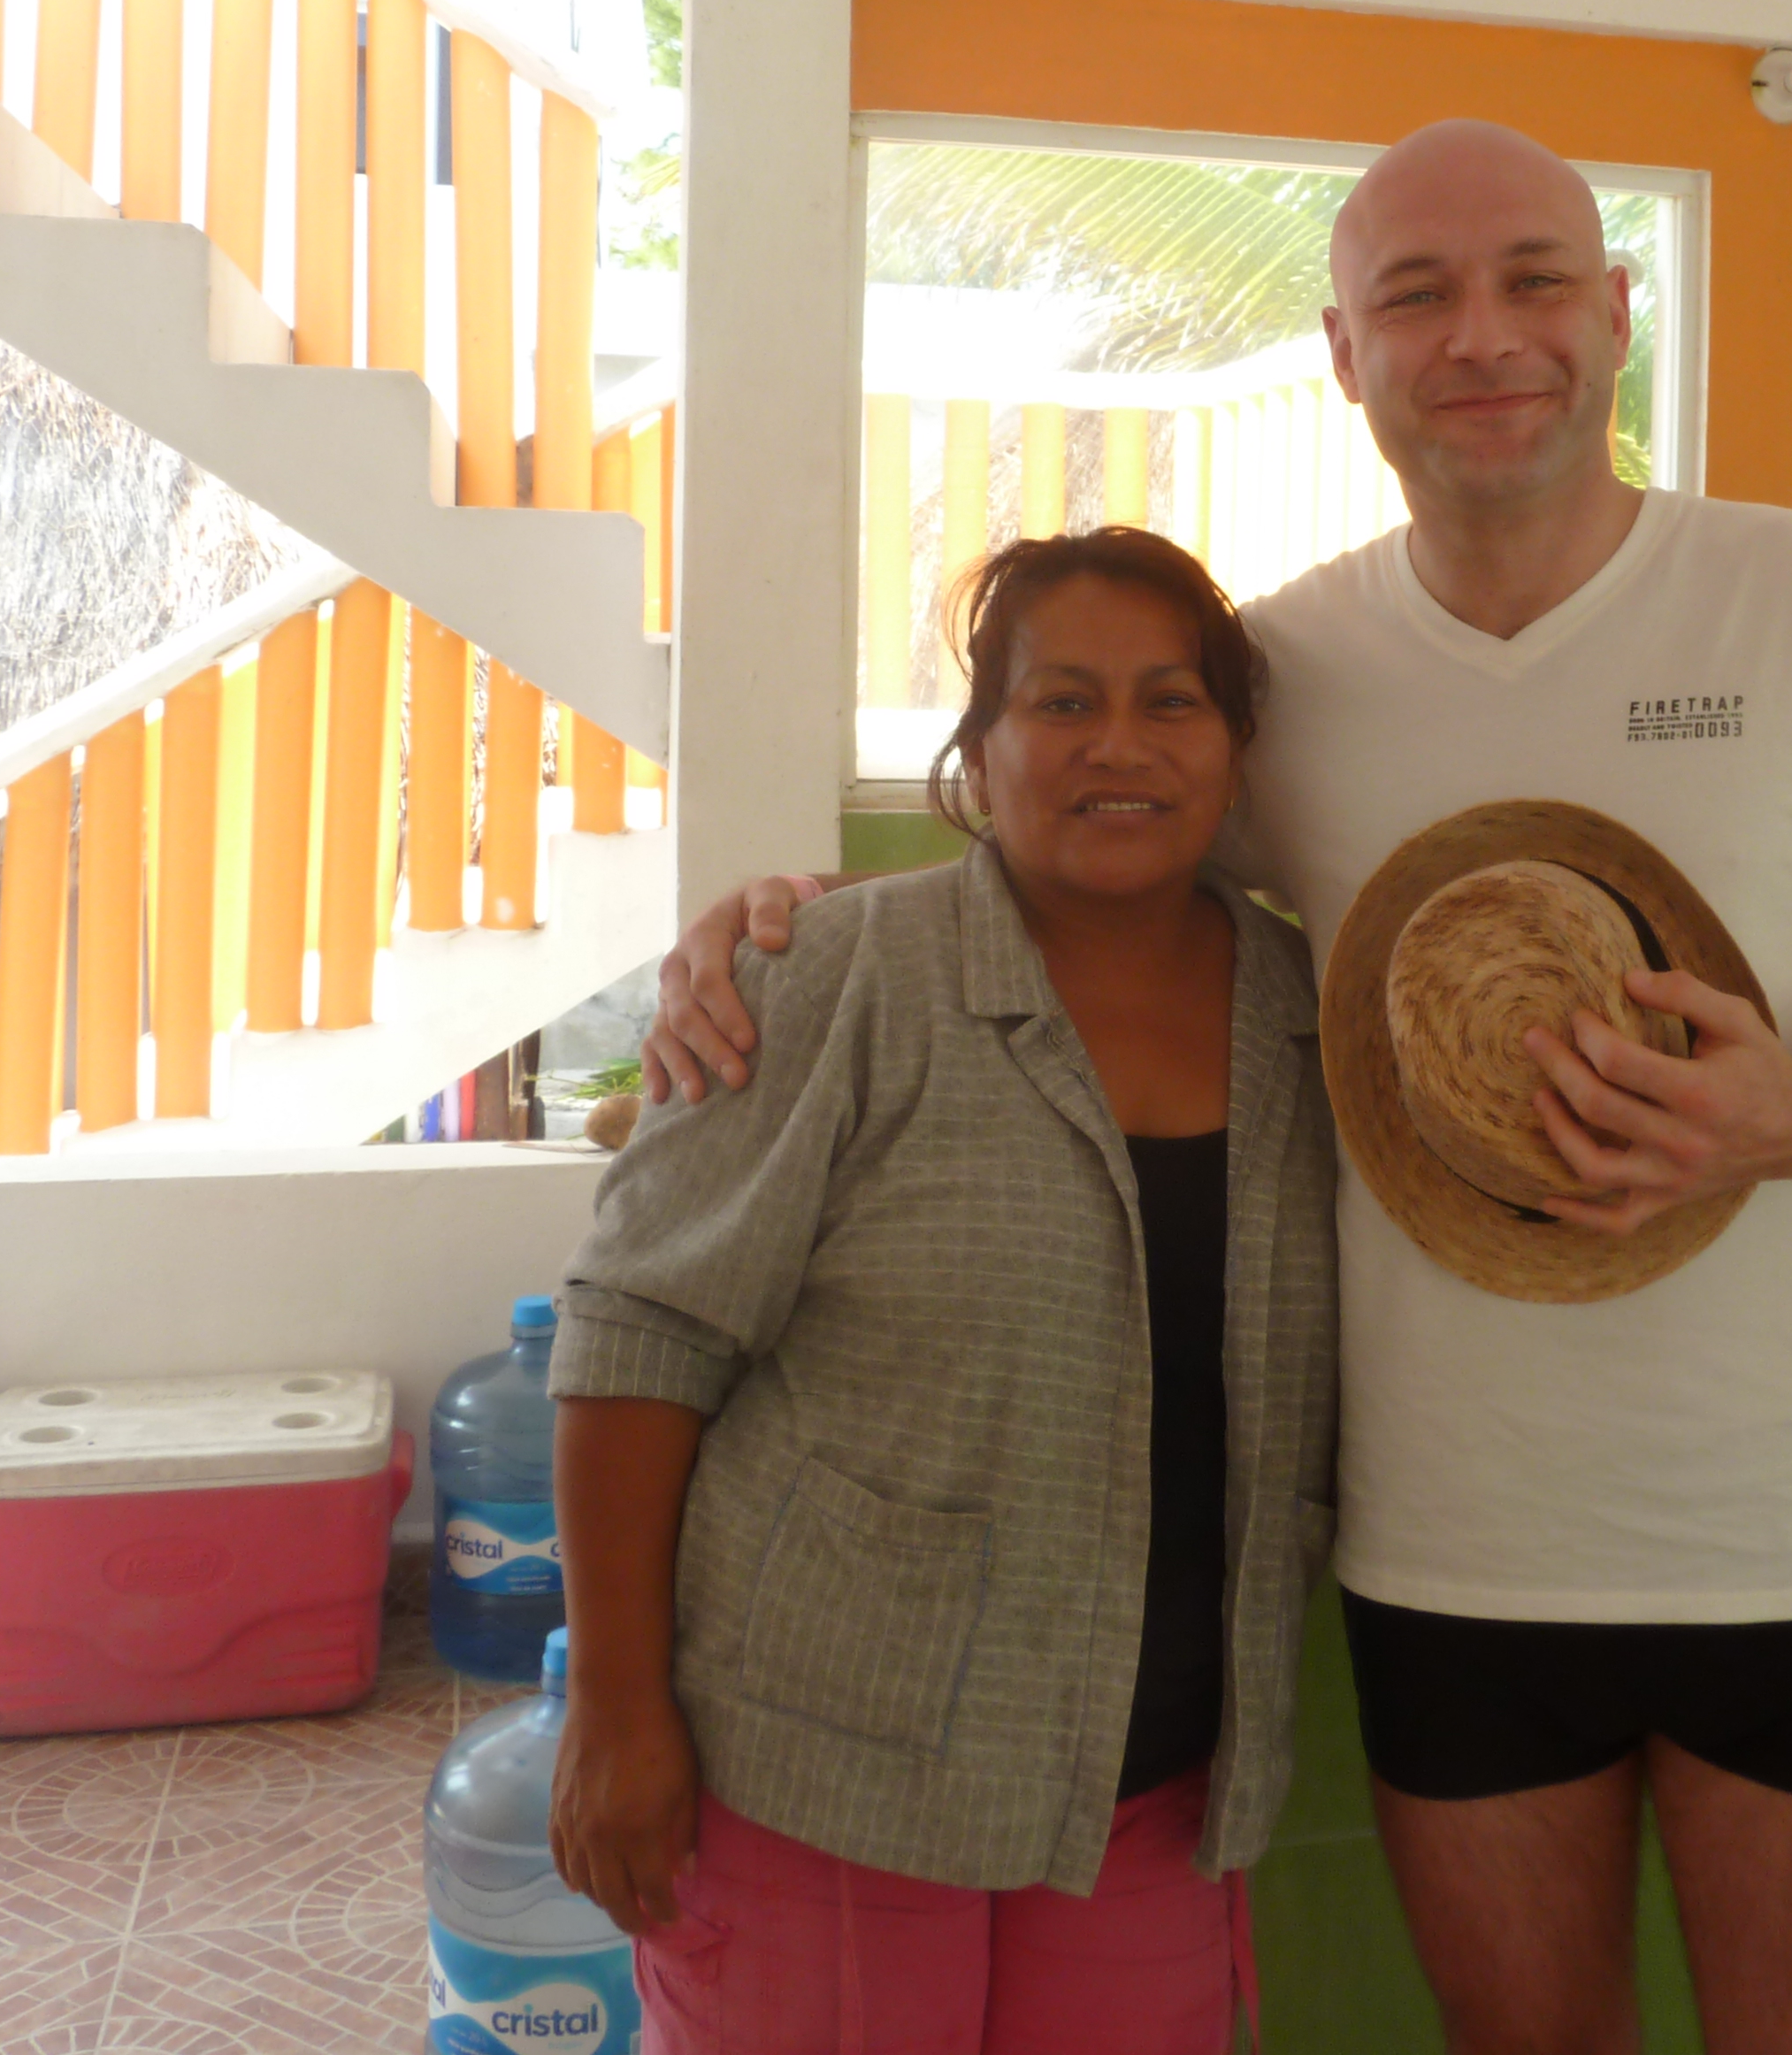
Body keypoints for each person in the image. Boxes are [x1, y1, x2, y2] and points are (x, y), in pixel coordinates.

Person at [645, 119, 1792, 2055]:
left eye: (1533, 281)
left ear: (1615, 313)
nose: (1483, 336)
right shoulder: (1285, 673)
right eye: (1417, 295)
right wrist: (785, 924)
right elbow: (1081, 853)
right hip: (1446, 1552)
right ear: (1343, 352)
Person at [548, 528, 1338, 2054]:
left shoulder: (1314, 1020)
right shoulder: (829, 976)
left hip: (1158, 1790)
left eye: (1172, 702)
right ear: (980, 752)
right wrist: (617, 1711)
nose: (1119, 745)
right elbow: (637, 1340)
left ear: (1237, 755)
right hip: (827, 1775)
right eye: (1063, 702)